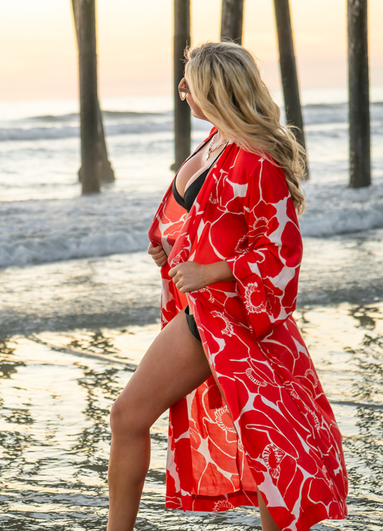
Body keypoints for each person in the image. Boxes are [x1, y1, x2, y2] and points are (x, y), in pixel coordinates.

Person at [106, 42, 348, 531]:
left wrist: (211, 271)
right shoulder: (215, 141)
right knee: (261, 443)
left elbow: (281, 251)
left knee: (264, 445)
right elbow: (210, 223)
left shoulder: (258, 159)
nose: (181, 87)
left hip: (232, 318)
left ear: (214, 88)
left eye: (189, 79)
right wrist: (172, 251)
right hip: (202, 313)